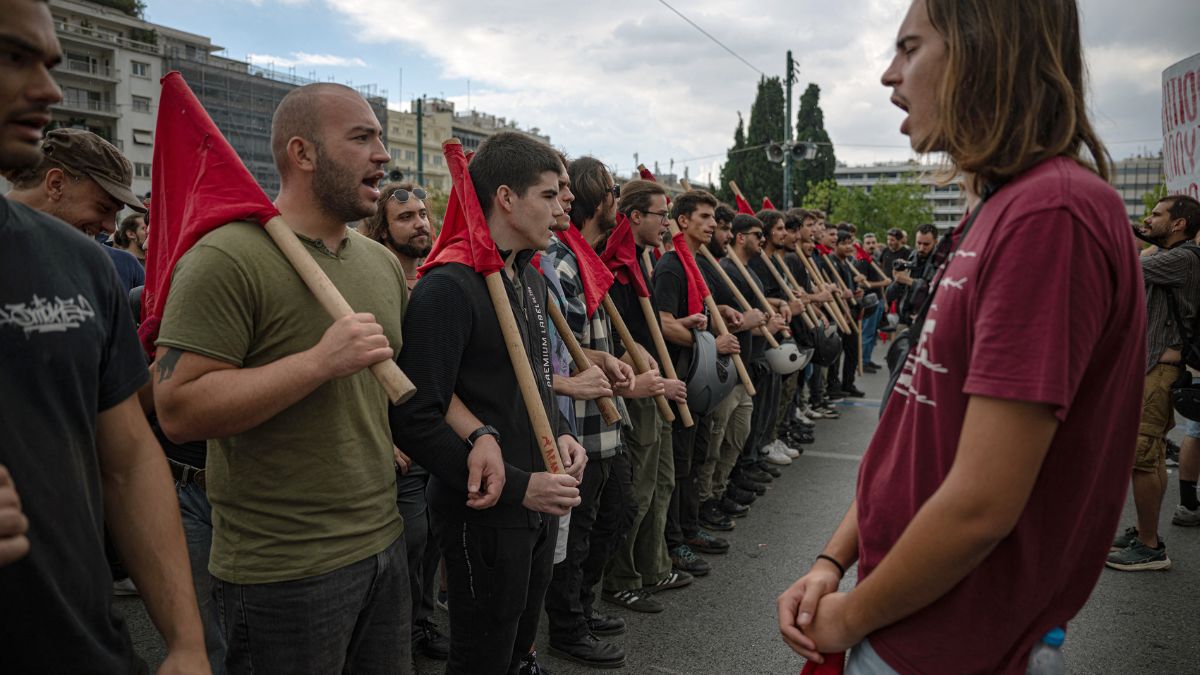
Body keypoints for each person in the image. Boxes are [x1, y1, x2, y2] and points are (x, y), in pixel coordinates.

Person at [777, 1, 1143, 673]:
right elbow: (916, 435)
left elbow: (981, 502)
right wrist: (834, 558)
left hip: (947, 645)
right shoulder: (1000, 209)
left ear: (984, 47)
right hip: (905, 617)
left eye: (911, 49)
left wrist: (849, 617)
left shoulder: (1051, 213)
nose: (890, 75)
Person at [154, 82, 412, 674]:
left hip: (384, 541)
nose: (383, 154)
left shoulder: (379, 265)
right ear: (303, 153)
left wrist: (479, 442)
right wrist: (319, 362)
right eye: (362, 137)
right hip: (282, 572)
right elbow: (178, 407)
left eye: (381, 137)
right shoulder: (226, 258)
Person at [0, 0, 208, 671]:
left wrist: (184, 641)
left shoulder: (83, 265)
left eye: (53, 64)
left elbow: (128, 459)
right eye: (12, 56)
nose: (52, 90)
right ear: (56, 183)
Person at [391, 130, 587, 675]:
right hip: (486, 514)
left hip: (538, 504)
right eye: (549, 196)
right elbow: (415, 414)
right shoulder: (449, 286)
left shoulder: (524, 276)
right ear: (506, 197)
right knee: (483, 653)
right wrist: (521, 486)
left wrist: (562, 434)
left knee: (521, 644)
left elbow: (533, 380)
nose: (560, 209)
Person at [543, 156, 641, 668]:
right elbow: (561, 347)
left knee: (610, 518)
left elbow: (586, 342)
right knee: (578, 534)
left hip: (606, 422)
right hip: (579, 425)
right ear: (595, 199)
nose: (618, 201)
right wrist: (602, 362)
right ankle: (567, 625)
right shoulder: (559, 259)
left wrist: (609, 361)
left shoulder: (586, 256)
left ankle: (581, 606)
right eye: (612, 192)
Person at [360, 181, 450, 660]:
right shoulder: (370, 281)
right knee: (408, 540)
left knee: (432, 536)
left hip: (435, 435)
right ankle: (394, 635)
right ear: (381, 228)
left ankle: (421, 622)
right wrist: (384, 438)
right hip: (394, 443)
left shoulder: (435, 280)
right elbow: (366, 367)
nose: (420, 223)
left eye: (422, 214)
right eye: (405, 217)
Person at [602, 179, 692, 614]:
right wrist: (645, 370)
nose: (667, 224)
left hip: (657, 384)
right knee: (636, 489)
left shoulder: (643, 258)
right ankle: (621, 578)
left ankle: (654, 567)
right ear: (635, 216)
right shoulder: (613, 261)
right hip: (638, 389)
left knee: (662, 482)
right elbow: (617, 335)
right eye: (661, 214)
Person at [1107, 194, 1200, 571]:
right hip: (1155, 370)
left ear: (1179, 224)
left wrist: (1116, 228)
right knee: (1155, 455)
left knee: (1141, 457)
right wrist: (1136, 230)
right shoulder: (1173, 257)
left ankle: (1150, 546)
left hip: (1159, 372)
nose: (1150, 219)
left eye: (1157, 215)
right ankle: (1146, 532)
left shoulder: (1182, 258)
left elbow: (1125, 264)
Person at [655, 190, 738, 578]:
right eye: (704, 217)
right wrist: (711, 342)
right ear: (682, 221)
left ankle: (690, 528)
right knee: (678, 465)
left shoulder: (695, 264)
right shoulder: (672, 265)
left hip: (699, 382)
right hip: (680, 381)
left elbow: (694, 315)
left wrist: (717, 314)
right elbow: (664, 324)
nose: (712, 224)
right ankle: (675, 543)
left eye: (713, 218)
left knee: (695, 460)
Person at [4, 128, 146, 292]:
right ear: (56, 184)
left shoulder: (92, 265)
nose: (111, 227)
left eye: (116, 213)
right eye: (103, 208)